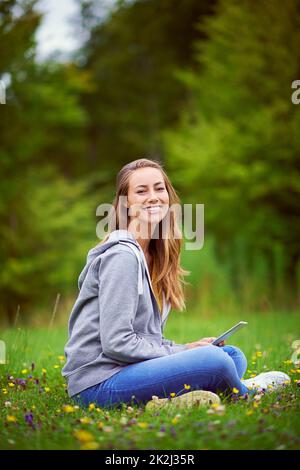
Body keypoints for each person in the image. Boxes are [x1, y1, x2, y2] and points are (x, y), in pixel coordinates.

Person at [61, 158, 290, 410]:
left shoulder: (152, 253)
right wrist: (182, 351)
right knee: (215, 361)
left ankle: (170, 403)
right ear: (125, 204)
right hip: (98, 384)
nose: (153, 196)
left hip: (126, 370)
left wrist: (187, 348)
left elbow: (145, 339)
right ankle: (247, 391)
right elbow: (117, 344)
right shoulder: (122, 257)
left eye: (159, 188)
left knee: (231, 356)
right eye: (141, 190)